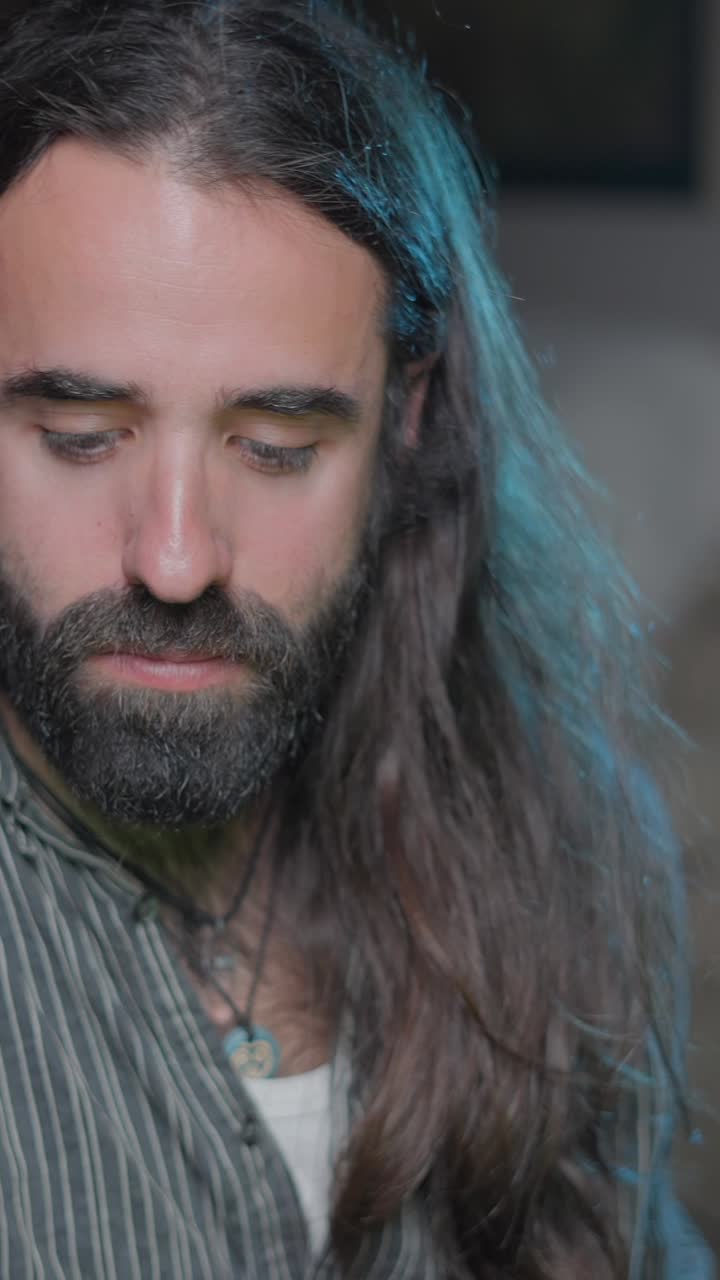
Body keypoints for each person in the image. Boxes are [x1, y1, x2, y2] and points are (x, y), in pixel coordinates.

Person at [0, 1, 711, 1277]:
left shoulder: (565, 845)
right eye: (79, 434)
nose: (173, 557)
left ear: (407, 419)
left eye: (276, 447)